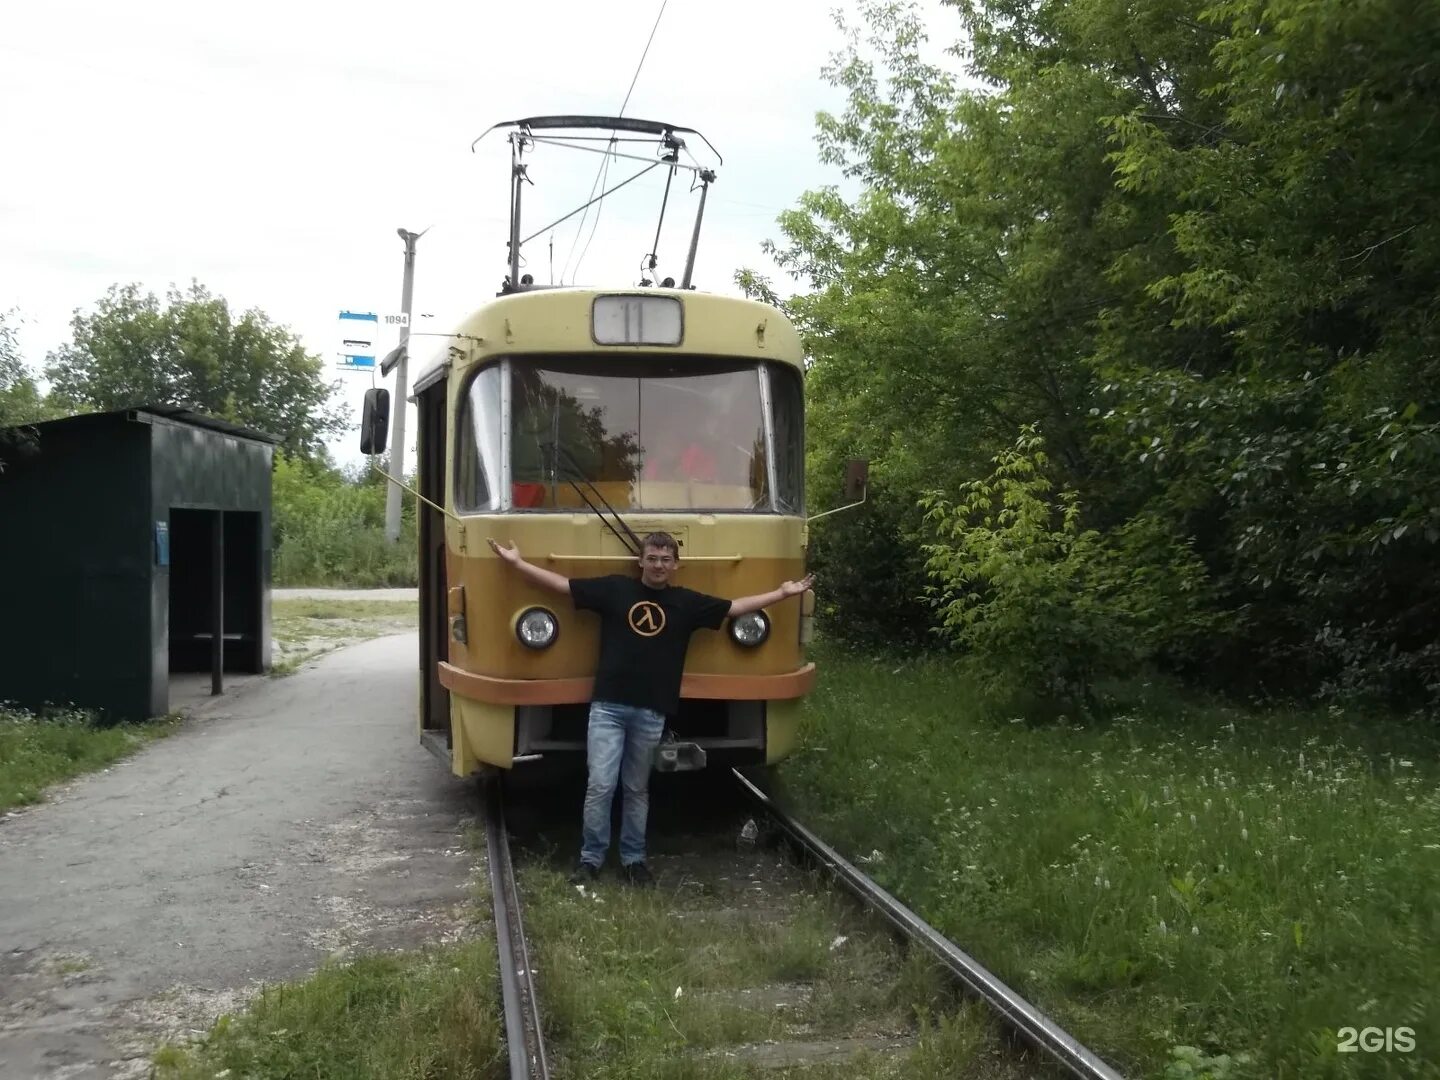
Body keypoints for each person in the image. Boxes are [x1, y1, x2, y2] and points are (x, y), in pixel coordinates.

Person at [486, 531, 813, 888]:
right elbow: (564, 587)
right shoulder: (615, 590)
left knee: (637, 788)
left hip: (651, 711)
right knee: (600, 785)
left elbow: (734, 607)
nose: (659, 565)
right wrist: (518, 565)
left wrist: (782, 594)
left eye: (665, 559)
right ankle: (590, 860)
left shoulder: (687, 604)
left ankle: (633, 860)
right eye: (653, 558)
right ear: (640, 561)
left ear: (676, 565)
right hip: (607, 708)